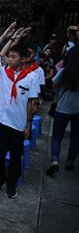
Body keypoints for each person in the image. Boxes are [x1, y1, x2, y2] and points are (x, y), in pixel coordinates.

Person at [0, 23, 38, 199]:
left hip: (17, 122)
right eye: (8, 56)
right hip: (1, 120)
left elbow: (31, 103)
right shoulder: (3, 73)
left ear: (23, 59)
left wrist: (29, 125)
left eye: (13, 57)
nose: (9, 59)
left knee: (16, 155)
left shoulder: (31, 78)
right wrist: (6, 37)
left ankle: (12, 183)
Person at [46, 46, 79, 175]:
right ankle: (70, 161)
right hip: (78, 111)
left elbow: (54, 85)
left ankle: (55, 162)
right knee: (75, 138)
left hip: (63, 108)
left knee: (56, 137)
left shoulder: (65, 71)